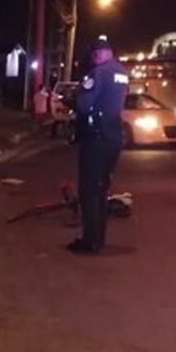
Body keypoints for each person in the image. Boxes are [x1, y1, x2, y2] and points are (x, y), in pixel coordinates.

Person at [68, 38, 129, 254]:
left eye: (95, 54)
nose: (93, 58)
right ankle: (99, 238)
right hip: (114, 135)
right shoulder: (122, 72)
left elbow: (84, 105)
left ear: (102, 53)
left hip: (96, 137)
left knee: (88, 190)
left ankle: (90, 240)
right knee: (102, 189)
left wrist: (72, 99)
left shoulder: (99, 73)